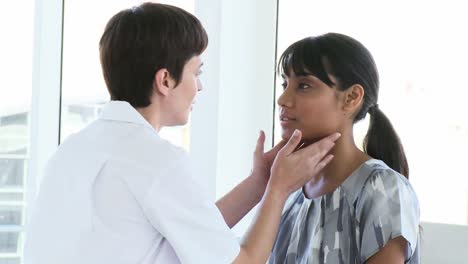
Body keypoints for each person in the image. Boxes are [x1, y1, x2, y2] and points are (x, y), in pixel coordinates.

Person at [23, 3, 341, 264]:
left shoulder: (75, 149)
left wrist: (259, 182)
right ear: (165, 80)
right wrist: (278, 189)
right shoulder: (155, 160)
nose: (199, 86)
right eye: (196, 72)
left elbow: (192, 232)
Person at [268, 33, 420, 264]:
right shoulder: (289, 191)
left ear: (351, 97)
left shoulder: (383, 189)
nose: (283, 99)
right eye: (285, 84)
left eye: (304, 85)